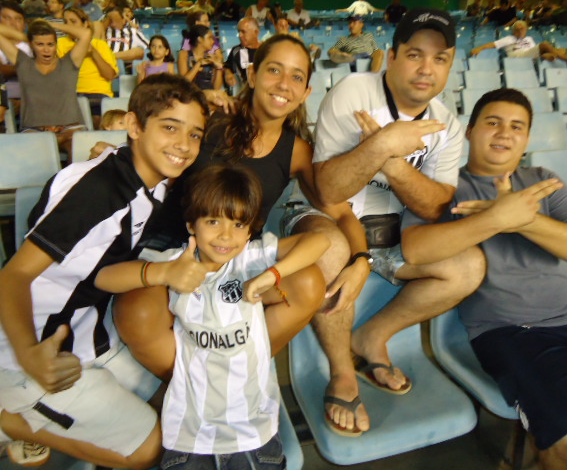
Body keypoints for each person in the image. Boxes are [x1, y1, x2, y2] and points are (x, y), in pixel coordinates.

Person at [112, 35, 366, 426]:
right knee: (134, 311)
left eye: (296, 77)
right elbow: (157, 143)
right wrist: (113, 154)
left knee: (309, 284)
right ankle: (200, 387)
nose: (284, 84)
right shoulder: (212, 120)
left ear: (306, 91)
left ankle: (226, 380)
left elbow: (339, 210)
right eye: (274, 70)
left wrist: (361, 260)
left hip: (235, 263)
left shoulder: (297, 151)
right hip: (172, 252)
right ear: (252, 73)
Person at [402, 87, 567, 470]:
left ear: (526, 138)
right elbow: (416, 250)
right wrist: (494, 218)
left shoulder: (542, 180)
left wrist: (526, 219)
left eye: (517, 126)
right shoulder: (443, 189)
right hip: (514, 332)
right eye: (492, 123)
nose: (504, 133)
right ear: (469, 131)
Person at [0, 73, 209, 469]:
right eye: (170, 127)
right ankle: (11, 419)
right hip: (23, 349)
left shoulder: (154, 182)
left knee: (174, 393)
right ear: (133, 126)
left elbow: (97, 272)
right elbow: (12, 277)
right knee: (150, 450)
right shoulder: (94, 190)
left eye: (195, 134)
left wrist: (159, 273)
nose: (184, 145)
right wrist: (29, 356)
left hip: (85, 333)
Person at [310, 8, 485, 436]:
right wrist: (385, 142)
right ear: (391, 56)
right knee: (331, 248)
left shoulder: (447, 124)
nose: (427, 68)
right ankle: (342, 372)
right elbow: (328, 190)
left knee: (468, 266)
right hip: (329, 219)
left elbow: (434, 206)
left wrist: (387, 157)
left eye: (440, 58)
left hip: (391, 236)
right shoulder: (355, 92)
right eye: (414, 55)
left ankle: (370, 338)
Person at [96, 163, 330, 470]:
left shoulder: (250, 259)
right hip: (190, 437)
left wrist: (272, 275)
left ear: (249, 230)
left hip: (254, 435)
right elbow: (104, 278)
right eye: (213, 221)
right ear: (192, 225)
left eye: (238, 225)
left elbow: (319, 241)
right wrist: (162, 273)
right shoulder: (176, 263)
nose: (225, 236)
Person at [0, 19, 90, 156]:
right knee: (32, 153)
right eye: (40, 44)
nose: (46, 49)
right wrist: (26, 35)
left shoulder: (69, 63)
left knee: (77, 149)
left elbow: (86, 33)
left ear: (56, 44)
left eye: (50, 44)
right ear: (31, 45)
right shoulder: (23, 63)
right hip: (34, 131)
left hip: (69, 130)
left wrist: (50, 25)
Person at [59, 6, 118, 129]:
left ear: (85, 24)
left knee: (98, 120)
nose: (69, 25)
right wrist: (77, 51)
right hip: (71, 94)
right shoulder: (60, 44)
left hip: (97, 94)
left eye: (73, 21)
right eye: (66, 22)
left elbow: (110, 75)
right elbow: (57, 73)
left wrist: (93, 53)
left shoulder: (99, 45)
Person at [470, 20, 567, 62]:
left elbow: (534, 49)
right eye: (517, 29)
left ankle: (545, 58)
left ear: (526, 30)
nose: (520, 31)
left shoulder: (529, 39)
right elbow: (493, 44)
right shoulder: (509, 38)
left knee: (562, 50)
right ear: (513, 31)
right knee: (544, 45)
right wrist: (479, 48)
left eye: (522, 28)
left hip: (531, 55)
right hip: (519, 56)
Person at [103, 6, 149, 72]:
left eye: (116, 18)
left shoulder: (133, 32)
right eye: (110, 20)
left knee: (139, 51)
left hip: (124, 66)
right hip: (103, 66)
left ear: (123, 20)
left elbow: (148, 49)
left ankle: (109, 57)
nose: (113, 22)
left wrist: (110, 56)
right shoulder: (103, 31)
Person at [179, 25, 223, 90]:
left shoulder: (212, 57)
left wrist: (219, 68)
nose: (213, 41)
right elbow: (184, 84)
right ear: (200, 39)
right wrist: (198, 64)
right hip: (190, 94)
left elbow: (216, 88)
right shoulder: (184, 54)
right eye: (210, 38)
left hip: (208, 95)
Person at [224, 17, 259, 88]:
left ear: (256, 32)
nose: (240, 35)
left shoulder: (268, 50)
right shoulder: (236, 51)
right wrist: (228, 73)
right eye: (239, 32)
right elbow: (227, 66)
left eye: (243, 32)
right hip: (246, 92)